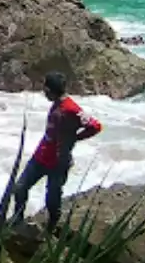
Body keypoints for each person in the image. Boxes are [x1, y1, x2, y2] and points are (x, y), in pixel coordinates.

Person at [10, 71, 103, 233]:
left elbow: (95, 126)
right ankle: (17, 219)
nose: (43, 92)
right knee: (20, 187)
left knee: (52, 198)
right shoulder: (57, 105)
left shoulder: (71, 108)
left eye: (44, 88)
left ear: (49, 90)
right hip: (40, 157)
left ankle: (52, 226)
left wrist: (75, 138)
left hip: (59, 162)